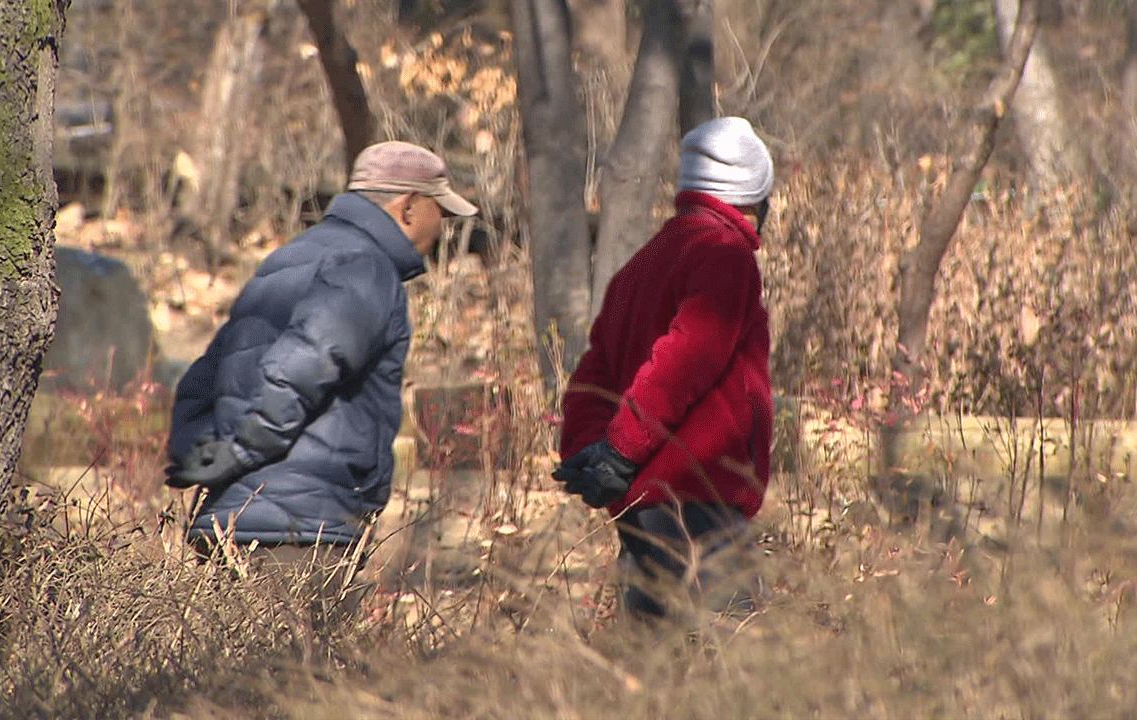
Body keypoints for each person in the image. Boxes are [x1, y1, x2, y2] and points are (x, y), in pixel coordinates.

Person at [164, 140, 477, 629]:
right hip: (299, 534)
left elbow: (206, 372)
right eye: (442, 211)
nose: (444, 228)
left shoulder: (289, 259)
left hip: (231, 519)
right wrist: (245, 449)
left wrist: (197, 453)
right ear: (410, 207)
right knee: (297, 693)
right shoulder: (365, 267)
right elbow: (306, 361)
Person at [554, 116, 775, 624]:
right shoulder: (726, 256)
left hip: (643, 504)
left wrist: (592, 451)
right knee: (738, 662)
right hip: (699, 498)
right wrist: (615, 452)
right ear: (756, 195)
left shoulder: (644, 261)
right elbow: (685, 359)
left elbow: (594, 372)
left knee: (653, 666)